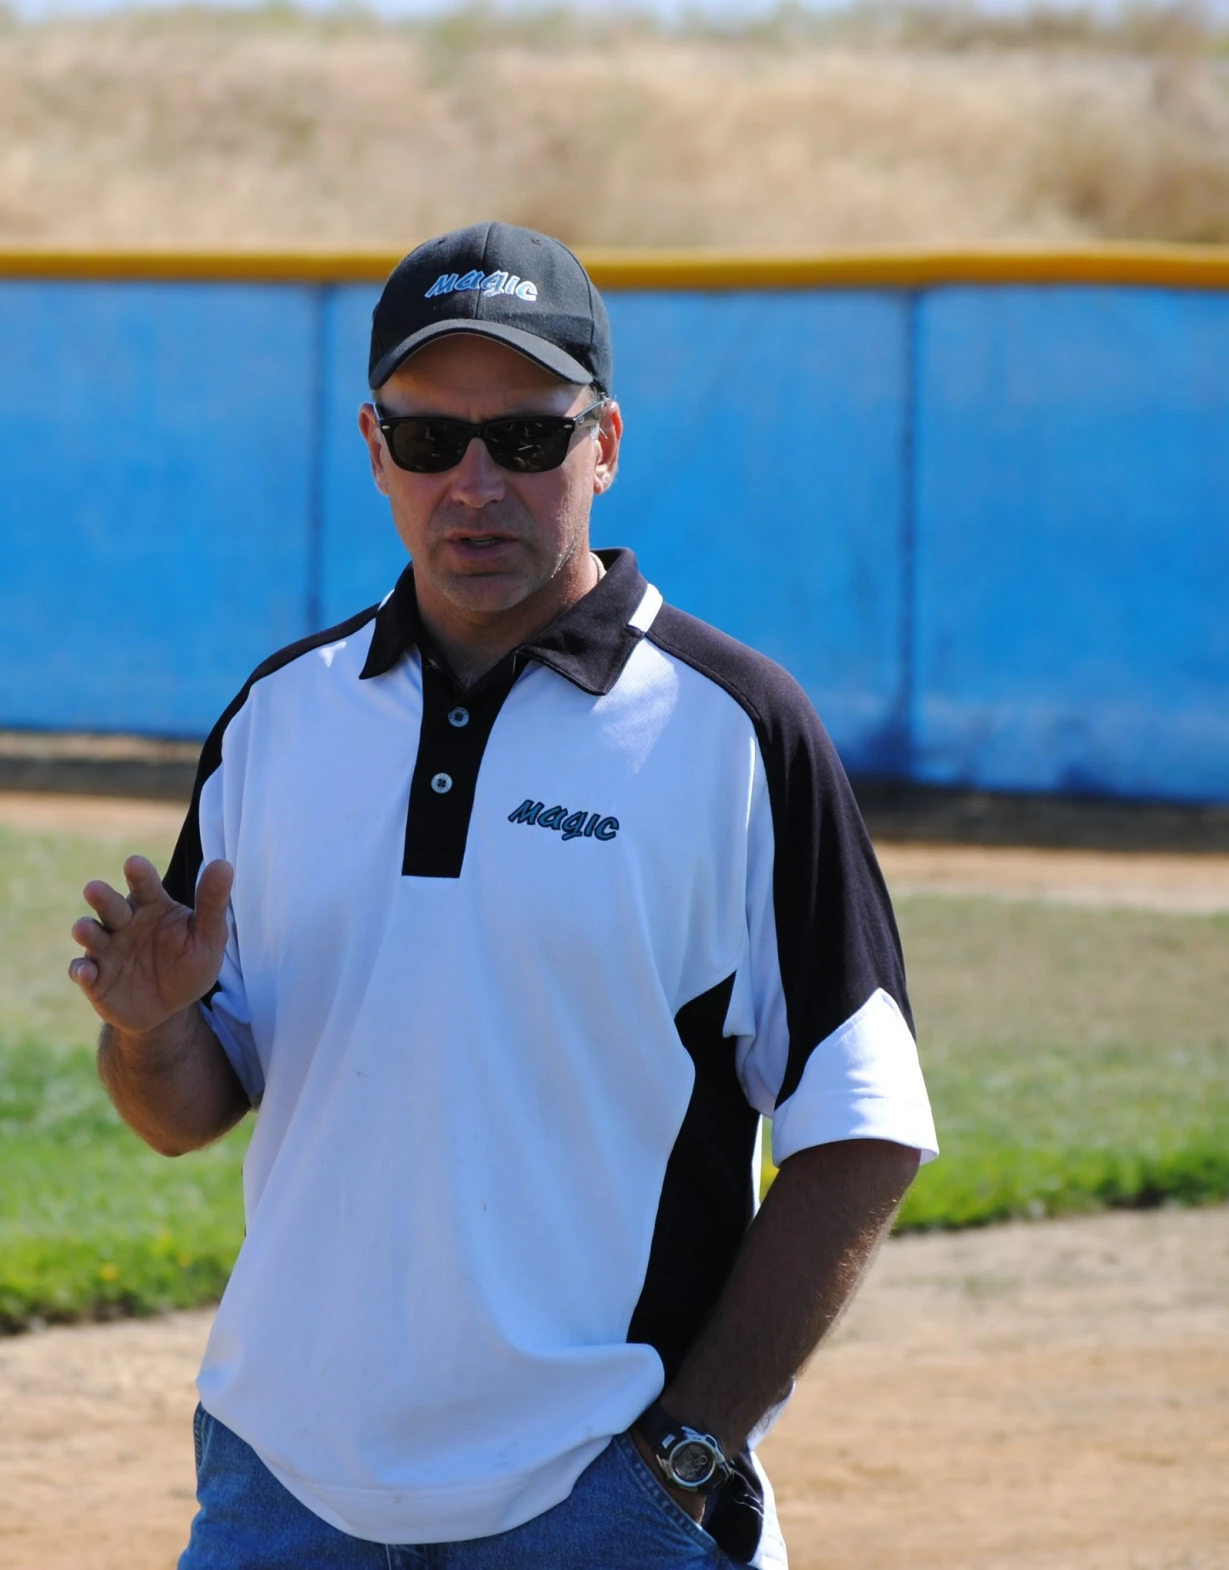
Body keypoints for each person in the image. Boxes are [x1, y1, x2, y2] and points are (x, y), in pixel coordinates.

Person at [67, 221, 937, 1570]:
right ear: (372, 448)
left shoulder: (731, 730)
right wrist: (146, 1028)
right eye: (429, 440)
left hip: (602, 1498)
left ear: (604, 445)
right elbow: (183, 1111)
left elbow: (863, 1125)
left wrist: (689, 1454)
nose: (474, 483)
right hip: (283, 1480)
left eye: (526, 439)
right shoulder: (281, 717)